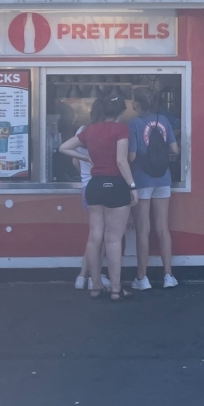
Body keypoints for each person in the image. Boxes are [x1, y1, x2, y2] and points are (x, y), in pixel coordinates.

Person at [59, 95, 138, 302]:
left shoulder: (90, 130)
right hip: (116, 185)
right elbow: (122, 161)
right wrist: (132, 186)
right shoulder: (121, 129)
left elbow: (64, 147)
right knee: (113, 239)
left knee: (95, 237)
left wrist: (86, 158)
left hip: (94, 186)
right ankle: (115, 289)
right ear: (121, 112)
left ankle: (95, 286)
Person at [128, 87, 180, 290]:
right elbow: (174, 149)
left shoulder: (133, 124)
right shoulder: (164, 120)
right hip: (163, 179)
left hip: (141, 180)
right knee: (162, 227)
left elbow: (131, 156)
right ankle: (168, 275)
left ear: (137, 104)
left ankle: (142, 278)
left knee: (143, 229)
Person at [73, 98, 111, 291]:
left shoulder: (82, 131)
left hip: (86, 185)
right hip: (103, 185)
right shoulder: (109, 132)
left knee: (94, 235)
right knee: (101, 236)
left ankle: (83, 276)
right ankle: (91, 277)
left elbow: (74, 163)